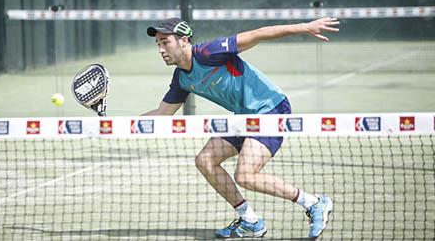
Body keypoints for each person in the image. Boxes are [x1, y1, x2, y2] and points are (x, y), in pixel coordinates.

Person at [144, 17, 339, 239]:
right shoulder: (181, 78)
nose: (161, 49)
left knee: (246, 175)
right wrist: (110, 125)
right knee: (205, 161)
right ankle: (250, 220)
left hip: (270, 109)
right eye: (158, 44)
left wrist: (304, 28)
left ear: (184, 41)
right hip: (243, 118)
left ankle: (314, 203)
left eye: (165, 42)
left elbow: (258, 34)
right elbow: (163, 114)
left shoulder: (209, 53)